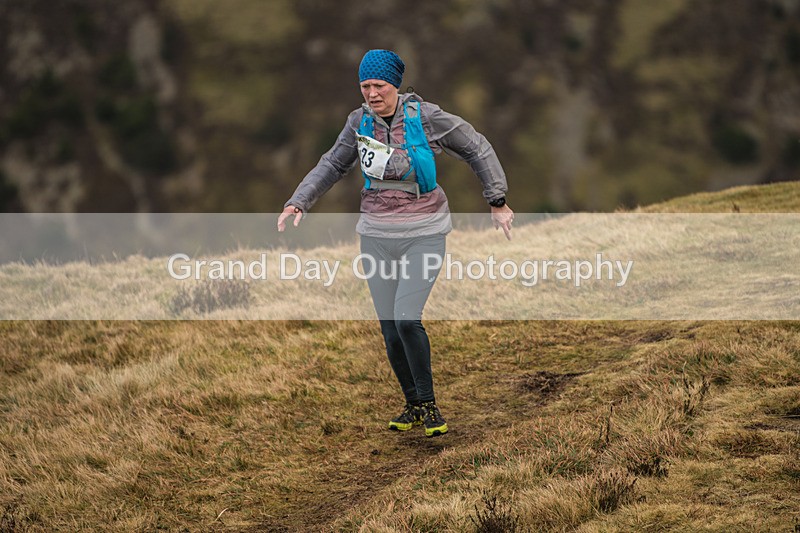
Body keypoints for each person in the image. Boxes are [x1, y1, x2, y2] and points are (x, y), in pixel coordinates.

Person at [278, 49, 513, 437]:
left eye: (379, 86)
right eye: (365, 86)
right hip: (376, 237)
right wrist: (298, 200)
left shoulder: (425, 117)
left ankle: (431, 405)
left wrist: (497, 200)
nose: (371, 94)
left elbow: (477, 147)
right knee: (389, 328)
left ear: (395, 85)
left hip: (424, 233)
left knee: (407, 320)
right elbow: (333, 164)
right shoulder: (359, 121)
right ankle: (413, 405)